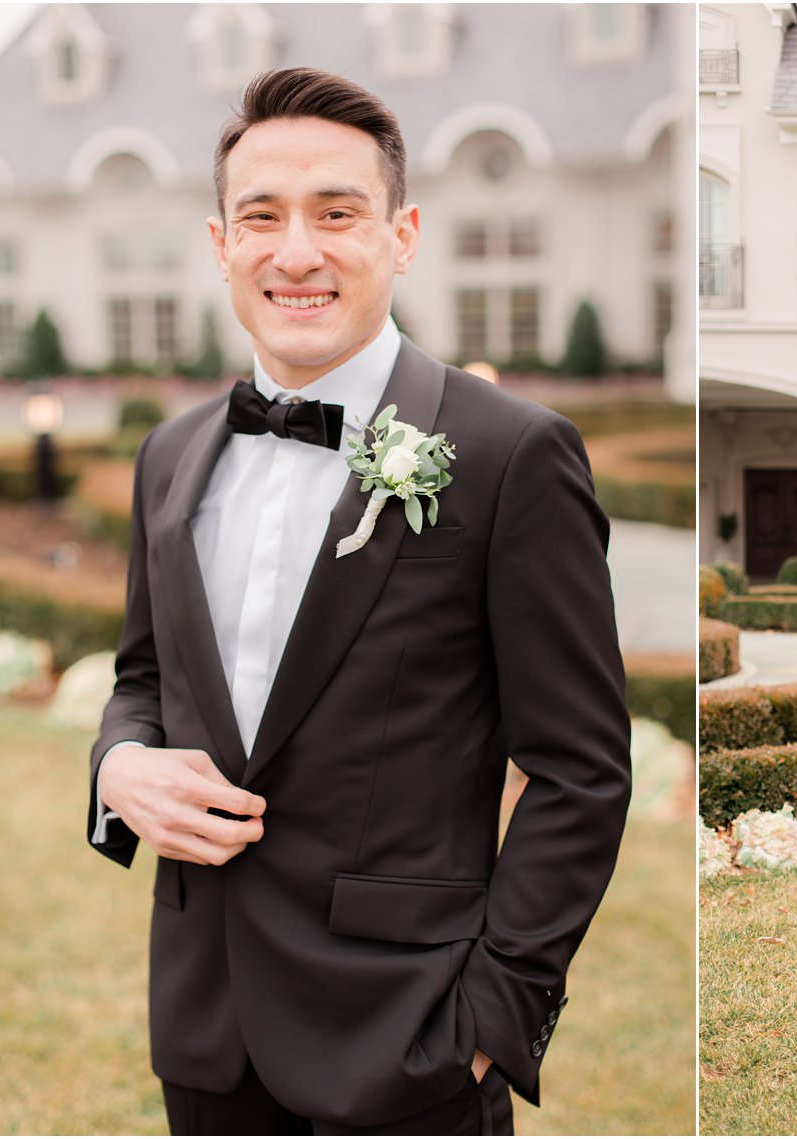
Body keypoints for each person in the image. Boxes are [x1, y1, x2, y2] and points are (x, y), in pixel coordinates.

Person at [87, 68, 631, 1135]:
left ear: (401, 233)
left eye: (336, 213)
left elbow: (580, 768)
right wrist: (117, 765)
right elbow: (142, 678)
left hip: (409, 1045)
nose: (297, 251)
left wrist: (491, 1013)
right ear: (220, 244)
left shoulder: (510, 453)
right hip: (202, 1028)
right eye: (263, 218)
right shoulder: (170, 454)